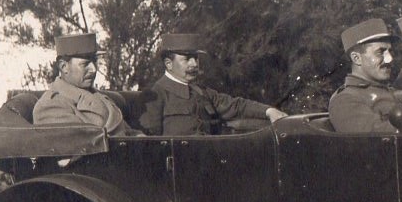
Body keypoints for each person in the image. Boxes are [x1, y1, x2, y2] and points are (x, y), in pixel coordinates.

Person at [136, 33, 288, 136]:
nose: (194, 64)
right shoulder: (155, 95)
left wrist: (268, 111)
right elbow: (150, 143)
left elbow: (235, 106)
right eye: (187, 59)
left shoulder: (201, 92)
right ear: (169, 64)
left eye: (196, 58)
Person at [32, 32, 138, 134]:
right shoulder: (50, 106)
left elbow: (128, 133)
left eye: (94, 61)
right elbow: (83, 143)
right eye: (85, 64)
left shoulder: (100, 97)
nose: (93, 69)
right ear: (64, 67)